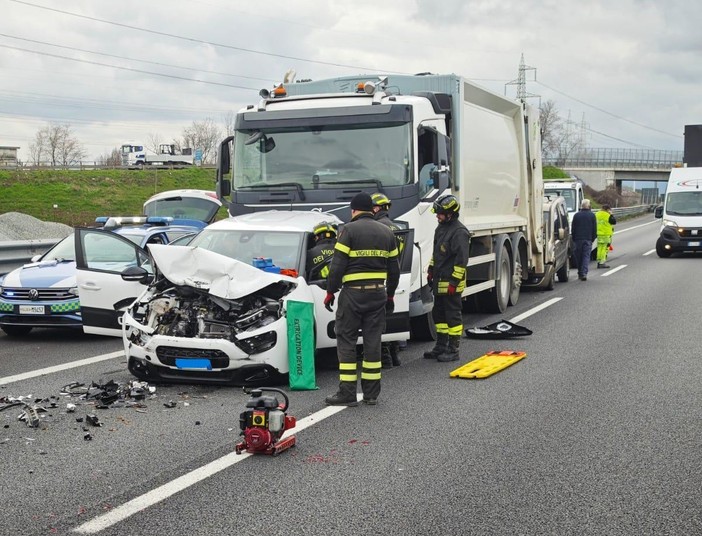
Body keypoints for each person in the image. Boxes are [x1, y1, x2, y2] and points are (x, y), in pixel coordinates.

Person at [323, 192, 400, 406]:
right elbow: (395, 269)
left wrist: (330, 291)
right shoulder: (387, 233)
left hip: (353, 295)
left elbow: (337, 265)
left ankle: (347, 392)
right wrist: (391, 294)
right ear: (373, 209)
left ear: (353, 210)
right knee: (373, 340)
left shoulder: (347, 230)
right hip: (378, 294)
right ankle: (371, 393)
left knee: (346, 339)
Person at [423, 194, 470, 362]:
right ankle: (441, 346)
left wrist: (454, 282)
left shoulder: (459, 232)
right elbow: (437, 254)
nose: (437, 216)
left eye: (440, 213)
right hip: (439, 280)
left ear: (450, 213)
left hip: (451, 283)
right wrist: (430, 269)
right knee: (439, 315)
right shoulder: (441, 228)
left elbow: (461, 260)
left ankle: (453, 349)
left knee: (453, 316)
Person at [371, 192, 404, 368]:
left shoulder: (377, 228)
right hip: (395, 278)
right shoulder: (397, 228)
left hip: (378, 280)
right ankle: (394, 353)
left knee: (377, 321)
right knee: (390, 316)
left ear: (376, 208)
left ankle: (385, 357)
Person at [571, 198, 597, 281]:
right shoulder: (592, 215)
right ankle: (584, 273)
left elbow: (573, 228)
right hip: (588, 239)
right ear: (589, 206)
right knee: (586, 256)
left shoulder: (576, 215)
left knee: (578, 256)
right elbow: (594, 229)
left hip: (577, 239)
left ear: (581, 206)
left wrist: (573, 238)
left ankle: (580, 271)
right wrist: (593, 238)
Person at [595, 204, 617, 269]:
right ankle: (602, 262)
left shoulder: (597, 214)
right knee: (605, 248)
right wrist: (611, 214)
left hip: (599, 234)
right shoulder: (608, 215)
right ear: (608, 209)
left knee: (599, 248)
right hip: (606, 234)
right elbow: (614, 222)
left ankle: (599, 261)